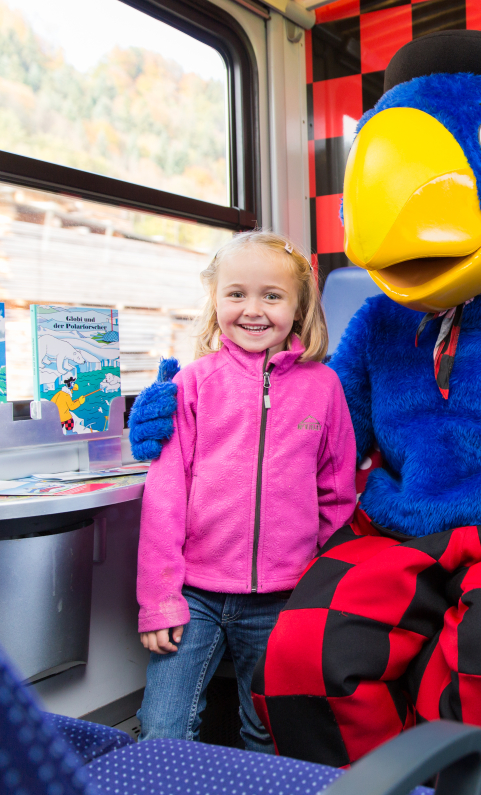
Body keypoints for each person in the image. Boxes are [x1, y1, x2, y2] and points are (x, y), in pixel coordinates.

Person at [135, 230, 358, 753]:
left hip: (284, 596)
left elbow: (336, 492)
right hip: (194, 597)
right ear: (215, 301)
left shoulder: (323, 387)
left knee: (269, 730)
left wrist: (317, 580)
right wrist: (159, 599)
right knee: (163, 726)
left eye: (272, 296)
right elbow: (165, 496)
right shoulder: (193, 384)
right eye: (237, 294)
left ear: (298, 307)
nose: (253, 310)